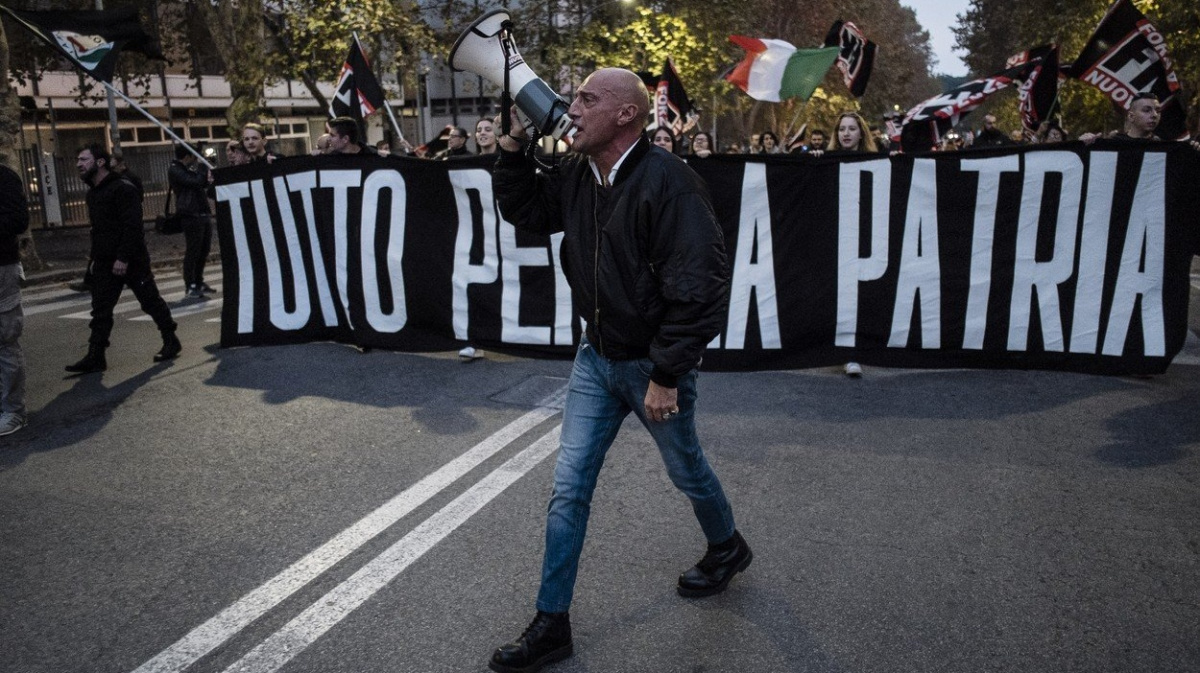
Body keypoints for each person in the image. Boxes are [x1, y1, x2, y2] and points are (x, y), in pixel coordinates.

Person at [489, 67, 750, 673]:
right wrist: (508, 153)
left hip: (650, 368)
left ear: (626, 114)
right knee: (568, 489)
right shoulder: (579, 174)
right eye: (573, 97)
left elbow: (700, 290)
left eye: (586, 98)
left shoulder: (671, 183)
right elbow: (528, 210)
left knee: (687, 471)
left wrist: (664, 374)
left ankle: (727, 546)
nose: (569, 107)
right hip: (595, 360)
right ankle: (552, 623)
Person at [65, 144, 180, 374]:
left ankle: (170, 339)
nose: (78, 164)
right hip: (104, 262)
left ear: (100, 162)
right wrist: (93, 263)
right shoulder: (93, 193)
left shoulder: (122, 189)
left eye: (84, 159)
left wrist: (123, 257)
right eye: (78, 159)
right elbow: (98, 231)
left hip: (131, 260)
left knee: (149, 301)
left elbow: (133, 227)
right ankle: (96, 355)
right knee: (100, 309)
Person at [812, 112, 878, 377]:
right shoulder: (826, 160)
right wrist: (815, 164)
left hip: (864, 239)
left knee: (859, 297)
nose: (846, 133)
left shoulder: (876, 162)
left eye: (852, 128)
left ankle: (855, 352)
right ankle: (840, 350)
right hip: (835, 238)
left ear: (862, 133)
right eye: (842, 129)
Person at [0, 160, 29, 436]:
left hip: (1, 267)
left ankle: (14, 411)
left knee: (5, 339)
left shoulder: (5, 178)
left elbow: (18, 220)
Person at [169, 144, 215, 299]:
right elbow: (194, 182)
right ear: (187, 156)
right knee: (193, 251)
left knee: (204, 250)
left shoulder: (188, 168)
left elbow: (202, 183)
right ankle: (190, 285)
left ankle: (199, 280)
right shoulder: (175, 169)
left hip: (201, 212)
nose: (195, 159)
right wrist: (202, 166)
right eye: (194, 155)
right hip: (190, 215)